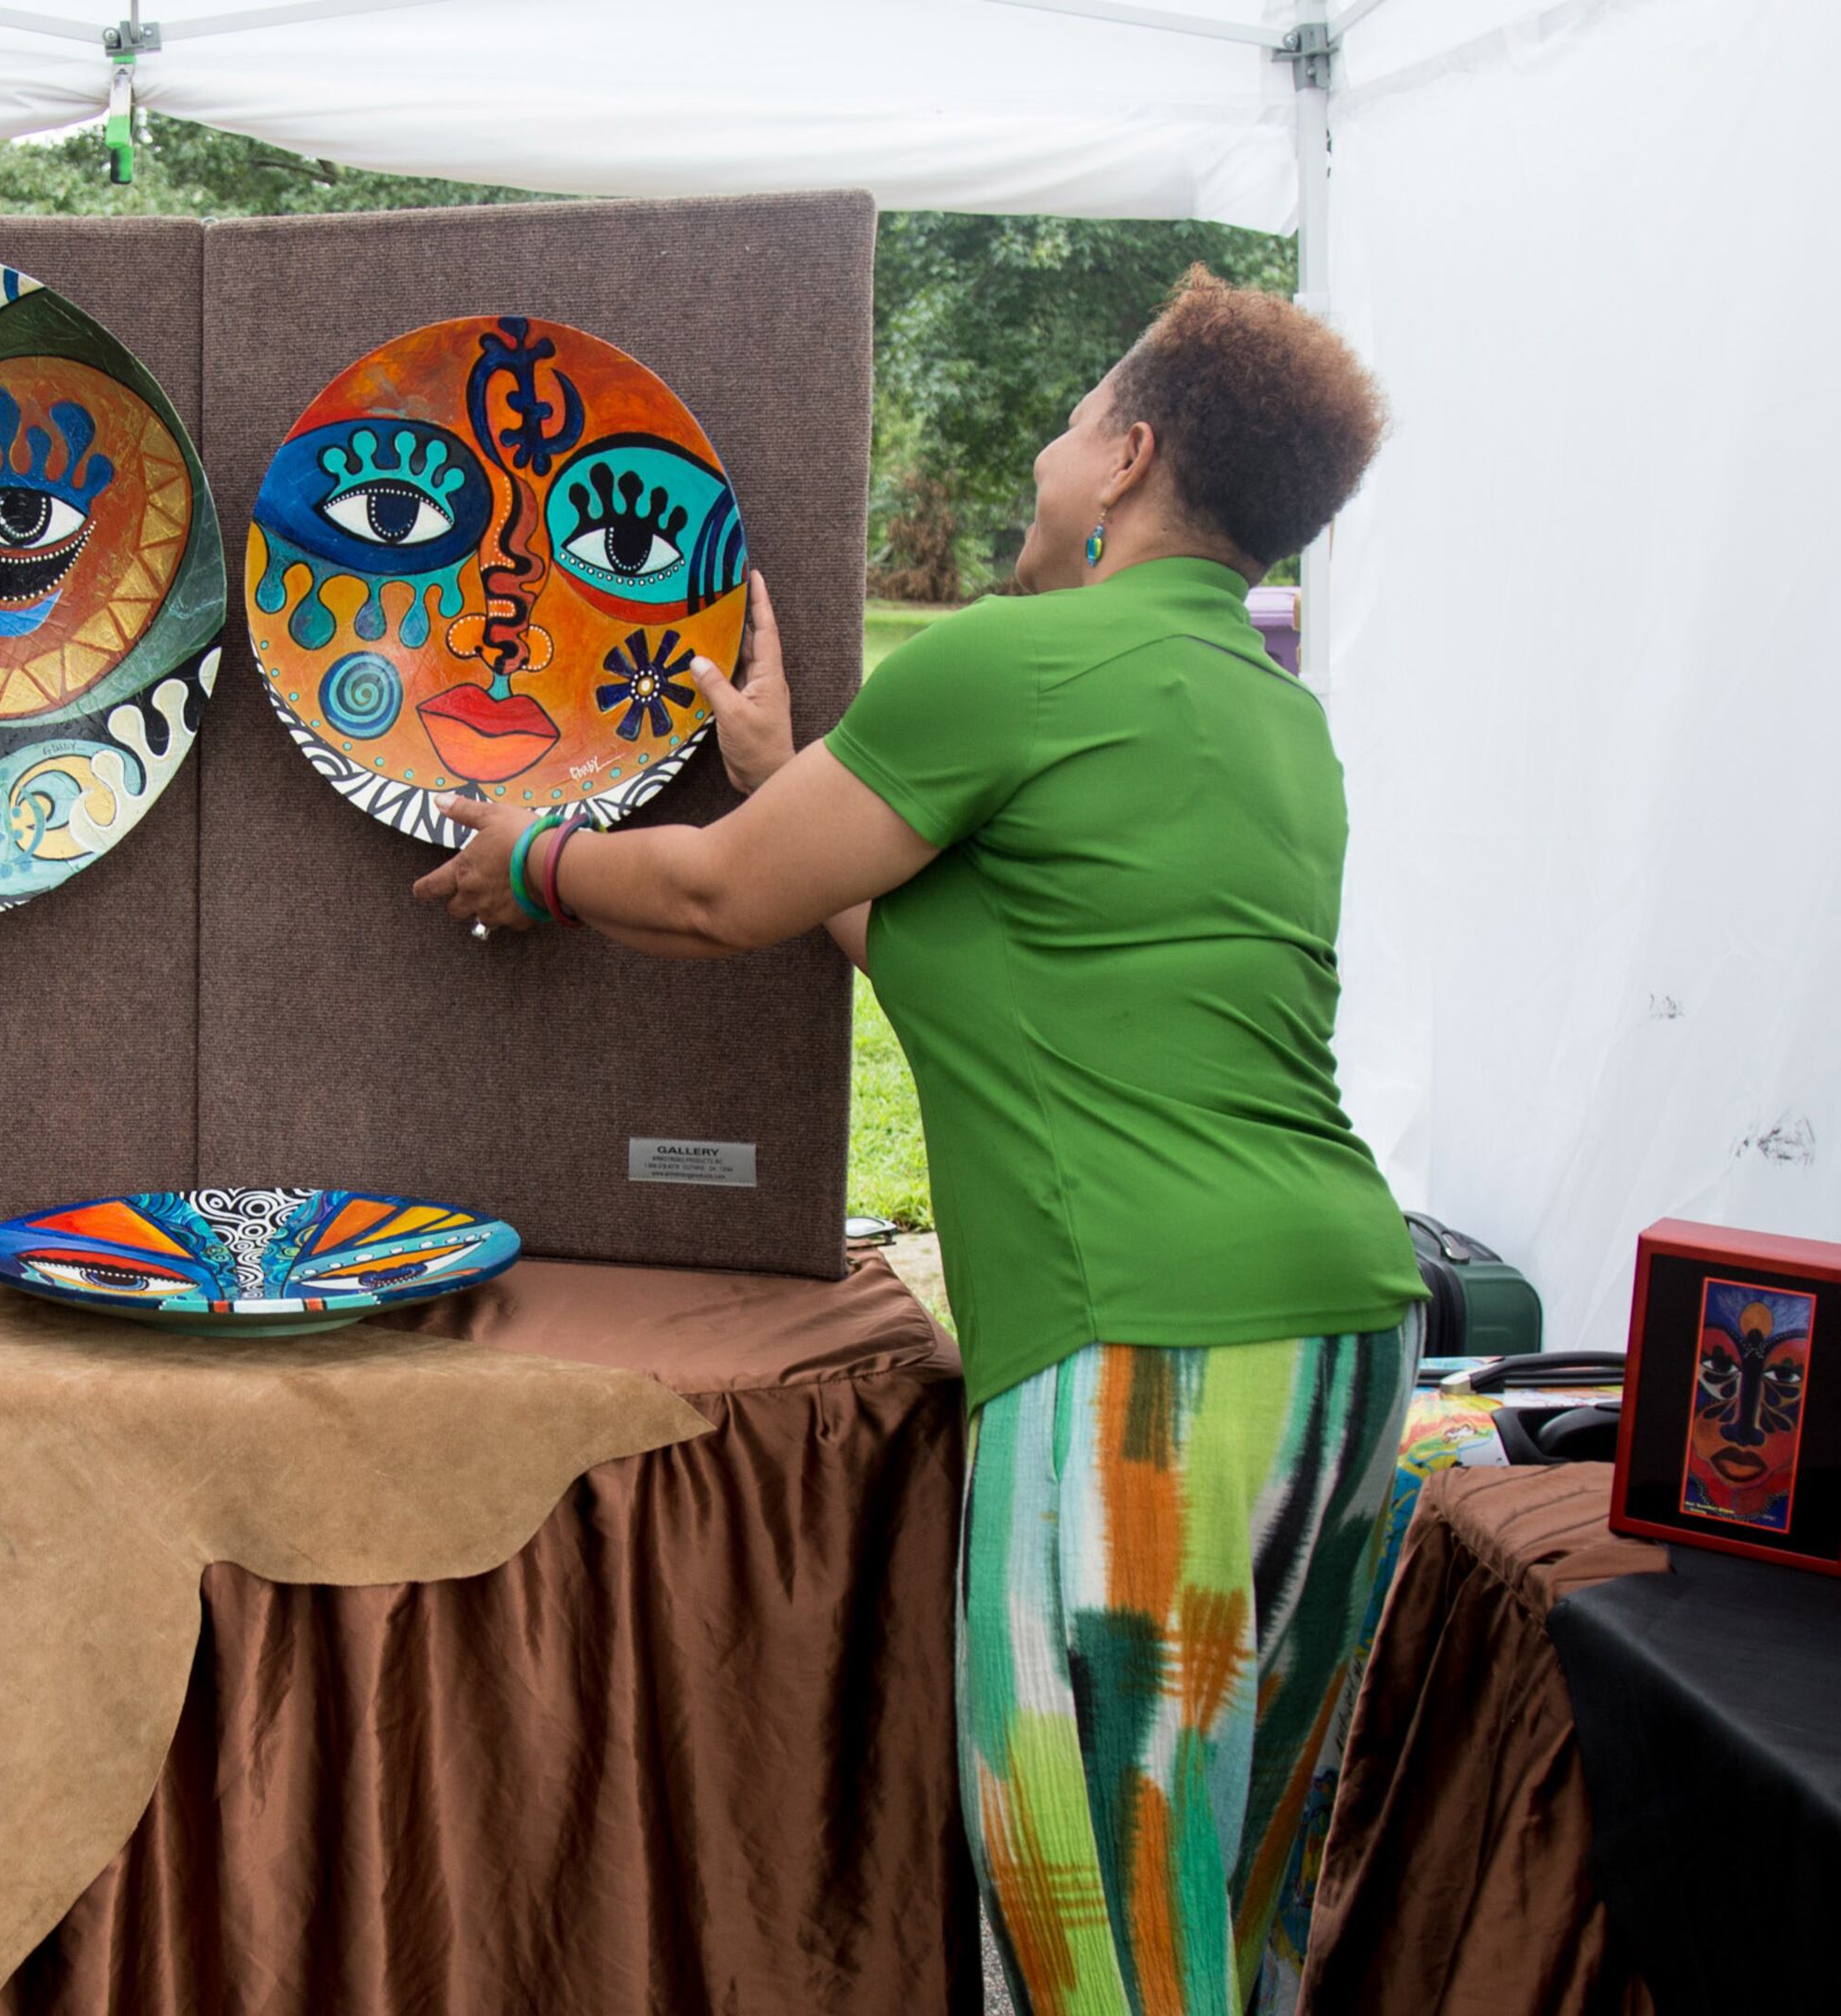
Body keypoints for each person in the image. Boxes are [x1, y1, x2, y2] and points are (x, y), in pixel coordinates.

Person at [417, 269, 1421, 2016]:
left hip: (1148, 1361)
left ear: (1125, 454)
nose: (1046, 457)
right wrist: (781, 769)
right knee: (1234, 1898)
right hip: (1347, 1343)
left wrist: (531, 857)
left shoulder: (1013, 662)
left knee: (1094, 1922)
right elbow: (947, 954)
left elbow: (724, 898)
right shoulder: (1281, 721)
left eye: (1066, 421)